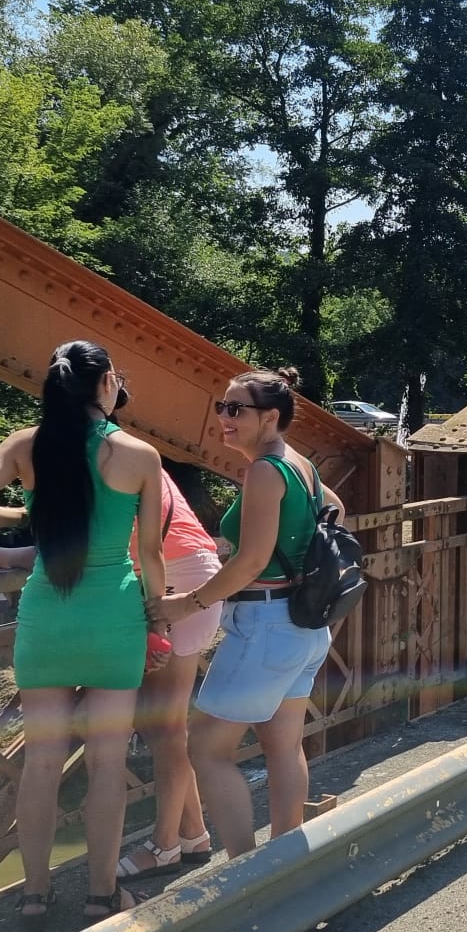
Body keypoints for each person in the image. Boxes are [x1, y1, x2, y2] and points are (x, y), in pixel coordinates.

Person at [0, 340, 169, 927]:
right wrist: (158, 619)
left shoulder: (27, 445)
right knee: (107, 764)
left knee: (42, 763)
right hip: (114, 619)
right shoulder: (139, 455)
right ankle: (102, 895)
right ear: (106, 384)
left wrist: (22, 513)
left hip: (46, 618)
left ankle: (34, 895)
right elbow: (150, 555)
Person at [0, 465, 223, 882]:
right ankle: (193, 834)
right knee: (160, 724)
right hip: (186, 570)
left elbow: (68, 552)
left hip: (171, 579)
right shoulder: (123, 459)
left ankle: (166, 845)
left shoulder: (89, 463)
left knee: (165, 727)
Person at [153, 367, 339, 863]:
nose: (224, 417)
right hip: (301, 626)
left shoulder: (264, 471)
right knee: (284, 746)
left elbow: (252, 562)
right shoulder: (300, 465)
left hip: (265, 627)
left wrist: (187, 603)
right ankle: (285, 862)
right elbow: (335, 510)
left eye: (236, 409)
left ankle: (246, 869)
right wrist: (292, 554)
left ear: (270, 417)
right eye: (222, 407)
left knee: (206, 749)